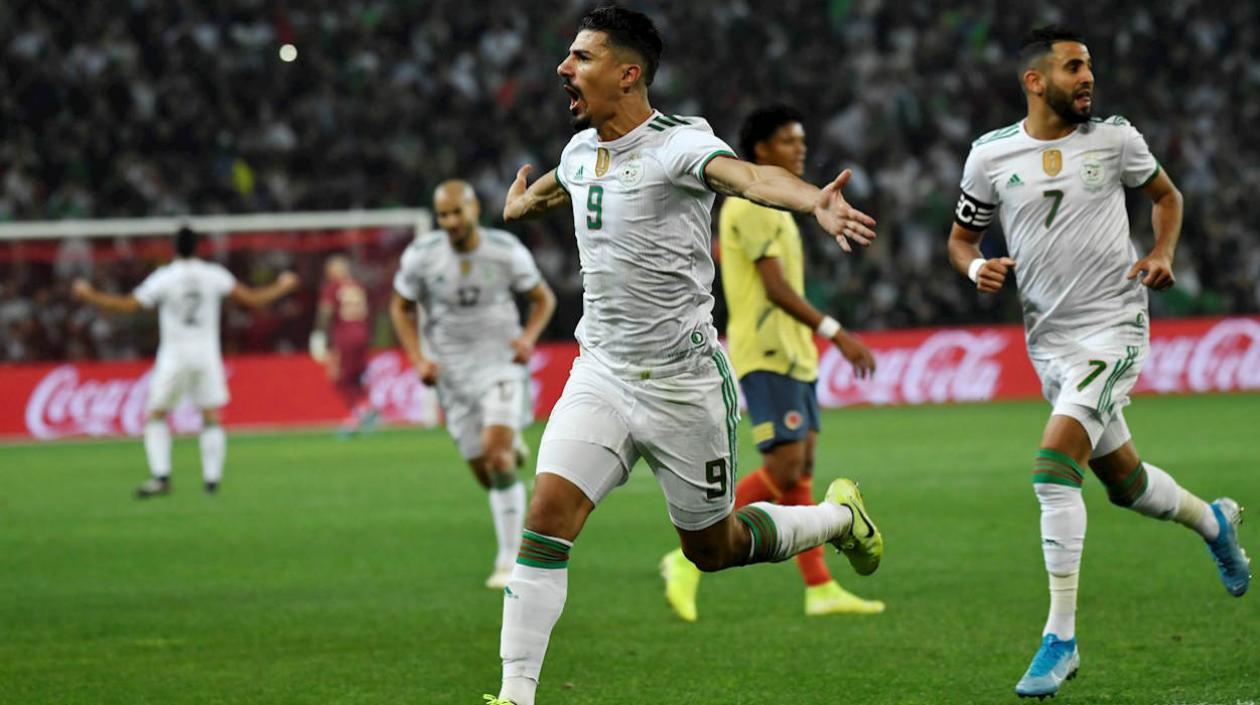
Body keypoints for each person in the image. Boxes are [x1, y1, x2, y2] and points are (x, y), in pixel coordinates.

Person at [484, 8, 883, 705]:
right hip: (600, 371)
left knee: (713, 548)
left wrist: (810, 200)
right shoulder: (581, 150)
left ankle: (839, 518)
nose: (563, 68)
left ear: (628, 73)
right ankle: (516, 695)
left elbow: (751, 179)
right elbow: (559, 185)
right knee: (546, 514)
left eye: (581, 57)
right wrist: (523, 206)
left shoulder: (679, 145)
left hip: (683, 382)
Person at [947, 26, 1251, 699]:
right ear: (1035, 80)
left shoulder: (1115, 139)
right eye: (1073, 66)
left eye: (1091, 67)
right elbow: (961, 236)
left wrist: (1163, 252)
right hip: (1047, 344)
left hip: (1113, 330)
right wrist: (975, 268)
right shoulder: (991, 156)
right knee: (1126, 484)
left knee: (1053, 469)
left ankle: (1061, 637)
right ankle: (1214, 520)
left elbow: (1167, 197)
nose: (1088, 77)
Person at [660, 104, 883, 621]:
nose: (800, 148)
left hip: (794, 353)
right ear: (760, 150)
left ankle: (820, 588)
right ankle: (687, 554)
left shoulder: (781, 207)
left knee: (800, 471)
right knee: (783, 466)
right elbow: (776, 289)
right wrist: (838, 333)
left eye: (802, 138)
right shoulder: (750, 205)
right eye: (788, 141)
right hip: (767, 352)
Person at [390, 180, 556, 590]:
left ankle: (509, 559)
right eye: (442, 215)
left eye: (455, 213)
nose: (449, 222)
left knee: (497, 458)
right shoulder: (422, 257)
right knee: (487, 471)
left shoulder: (504, 250)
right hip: (452, 375)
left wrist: (527, 338)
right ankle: (508, 452)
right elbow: (400, 306)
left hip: (499, 364)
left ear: (473, 209)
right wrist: (417, 358)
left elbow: (543, 299)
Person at [71, 226, 299, 497]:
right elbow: (253, 299)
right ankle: (211, 482)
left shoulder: (164, 277)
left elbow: (128, 306)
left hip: (174, 354)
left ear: (173, 248)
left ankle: (161, 477)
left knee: (156, 414)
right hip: (206, 353)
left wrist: (89, 296)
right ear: (200, 247)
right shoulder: (214, 274)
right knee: (210, 416)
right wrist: (283, 286)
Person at [310, 254, 379, 436]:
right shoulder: (358, 285)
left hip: (345, 337)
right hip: (363, 335)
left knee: (340, 379)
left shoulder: (332, 288)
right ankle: (364, 412)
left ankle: (358, 415)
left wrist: (319, 335)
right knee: (356, 377)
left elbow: (325, 311)